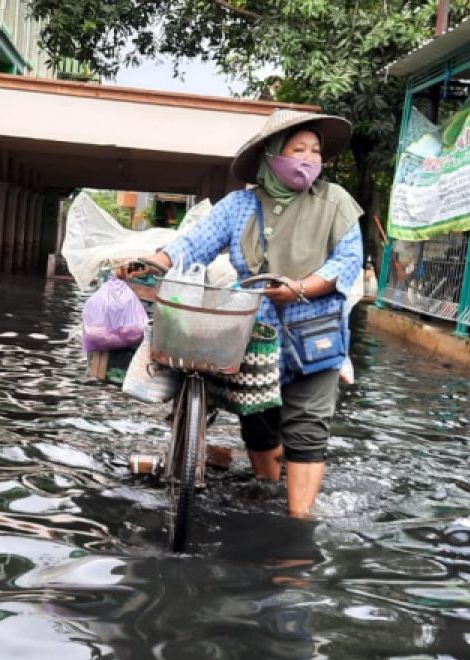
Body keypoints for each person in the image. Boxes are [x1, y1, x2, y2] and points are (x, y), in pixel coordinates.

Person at [135, 108, 364, 518]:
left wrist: (299, 288)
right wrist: (154, 261)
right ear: (273, 156)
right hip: (252, 333)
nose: (309, 158)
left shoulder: (336, 202)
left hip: (315, 334)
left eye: (315, 151)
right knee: (257, 422)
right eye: (298, 149)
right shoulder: (239, 205)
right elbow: (193, 243)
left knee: (308, 429)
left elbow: (346, 263)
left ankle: (297, 525)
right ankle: (267, 494)